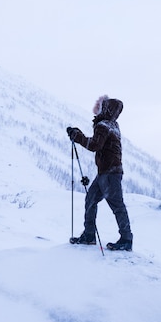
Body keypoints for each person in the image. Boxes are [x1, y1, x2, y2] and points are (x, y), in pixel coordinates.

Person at [67, 95, 133, 251]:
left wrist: (78, 137)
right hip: (108, 172)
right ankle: (90, 235)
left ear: (106, 109)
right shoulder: (113, 125)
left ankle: (125, 239)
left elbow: (94, 145)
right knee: (91, 199)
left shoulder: (104, 126)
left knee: (116, 205)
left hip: (109, 173)